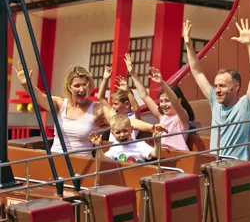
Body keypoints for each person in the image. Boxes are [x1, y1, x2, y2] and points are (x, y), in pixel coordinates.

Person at [13, 63, 167, 157]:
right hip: (55, 161)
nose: (82, 89)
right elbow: (39, 97)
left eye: (85, 85)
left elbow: (124, 121)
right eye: (77, 85)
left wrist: (151, 127)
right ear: (69, 87)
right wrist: (26, 85)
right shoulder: (59, 104)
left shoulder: (98, 109)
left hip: (82, 164)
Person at [183, 18, 250, 160]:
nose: (217, 90)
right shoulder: (215, 101)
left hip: (236, 168)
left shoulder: (246, 105)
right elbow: (197, 72)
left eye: (223, 86)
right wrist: (188, 45)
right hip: (214, 166)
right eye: (216, 86)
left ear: (236, 87)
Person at [124, 54, 195, 151]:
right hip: (160, 153)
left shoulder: (181, 117)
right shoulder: (162, 116)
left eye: (167, 101)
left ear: (178, 100)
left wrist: (162, 83)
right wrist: (132, 73)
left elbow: (175, 103)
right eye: (161, 101)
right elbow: (144, 95)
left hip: (178, 155)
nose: (163, 104)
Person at [97, 65, 141, 141]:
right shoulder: (115, 116)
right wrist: (105, 79)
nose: (113, 106)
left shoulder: (134, 118)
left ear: (127, 104)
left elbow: (136, 108)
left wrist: (127, 92)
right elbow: (100, 97)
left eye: (116, 104)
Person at [89, 114, 157, 162]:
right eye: (118, 132)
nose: (122, 135)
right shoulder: (115, 147)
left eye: (125, 131)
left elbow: (155, 154)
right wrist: (98, 146)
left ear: (131, 130)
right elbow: (103, 159)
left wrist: (157, 141)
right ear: (113, 134)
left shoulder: (139, 145)